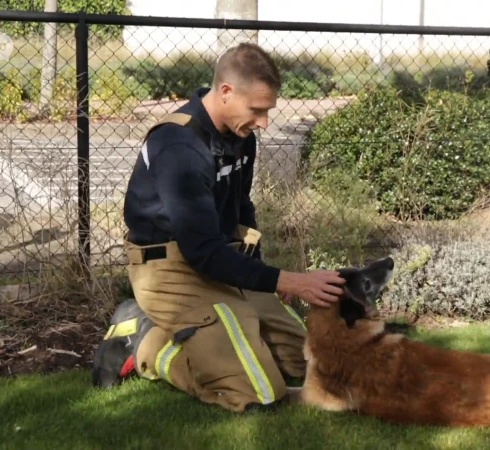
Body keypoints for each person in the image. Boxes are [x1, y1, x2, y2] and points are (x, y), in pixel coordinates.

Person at [119, 42, 346, 413]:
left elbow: (241, 210)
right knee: (258, 394)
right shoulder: (180, 145)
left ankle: (221, 334)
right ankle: (145, 341)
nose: (263, 122)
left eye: (267, 111)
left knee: (308, 362)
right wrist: (287, 280)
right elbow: (201, 250)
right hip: (171, 271)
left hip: (220, 262)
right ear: (226, 92)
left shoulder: (241, 139)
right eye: (257, 110)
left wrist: (261, 273)